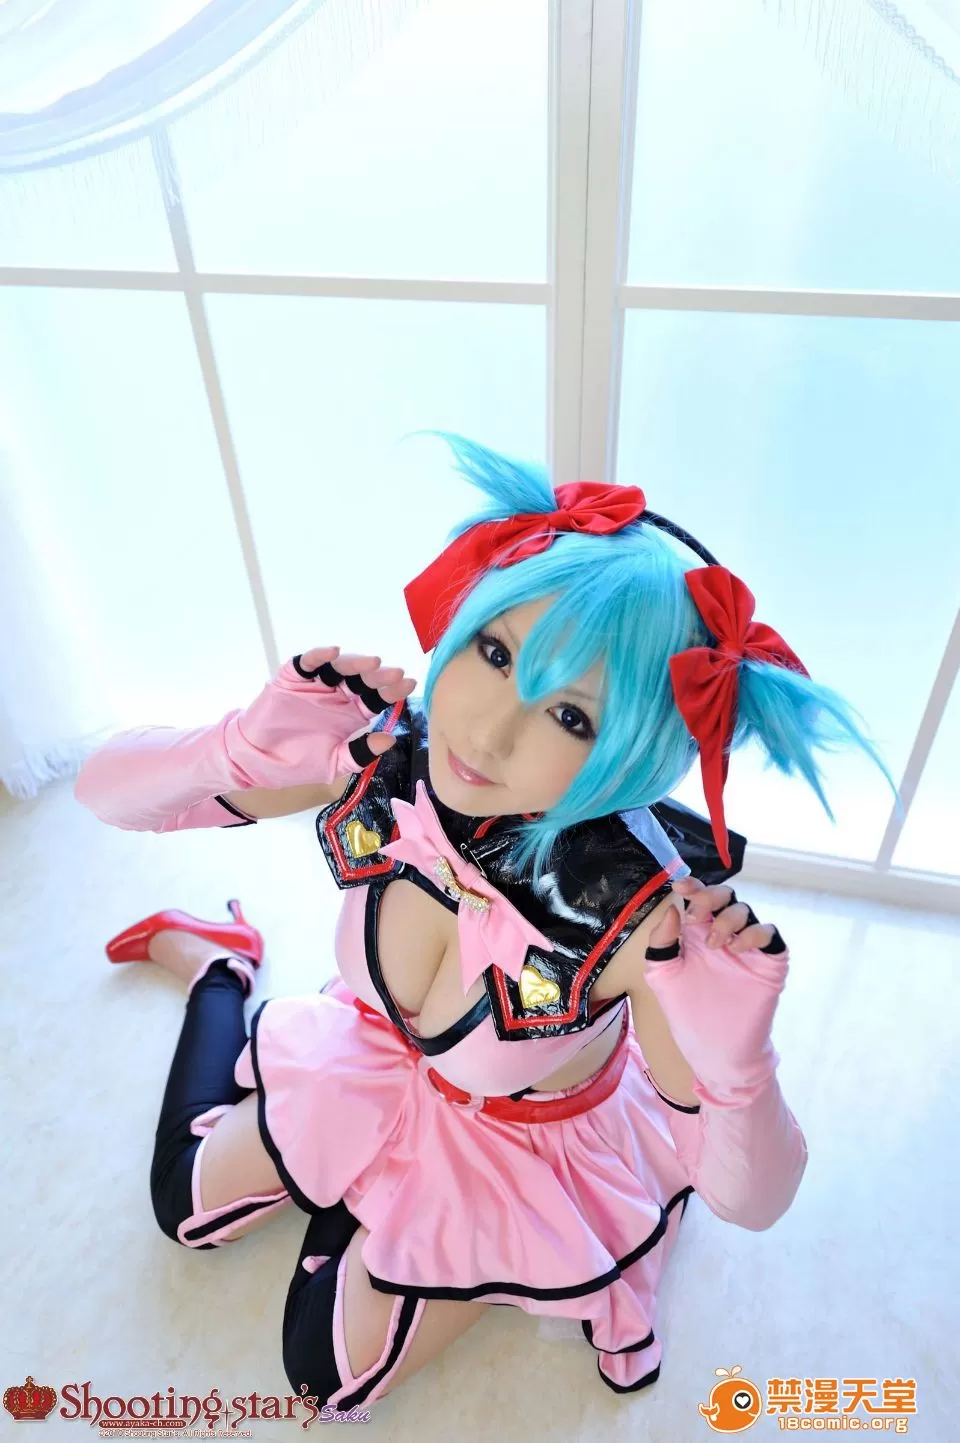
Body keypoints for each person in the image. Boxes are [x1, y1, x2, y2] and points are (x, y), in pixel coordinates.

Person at [73, 433, 898, 1408]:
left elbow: (751, 1201)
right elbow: (101, 793)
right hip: (375, 1055)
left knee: (322, 1375)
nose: (487, 731)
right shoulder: (389, 754)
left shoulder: (639, 921)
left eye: (572, 717)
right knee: (183, 1205)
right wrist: (231, 752)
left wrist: (739, 1067)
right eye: (496, 652)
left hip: (521, 1145)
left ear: (636, 753)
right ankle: (222, 968)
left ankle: (386, 1197)